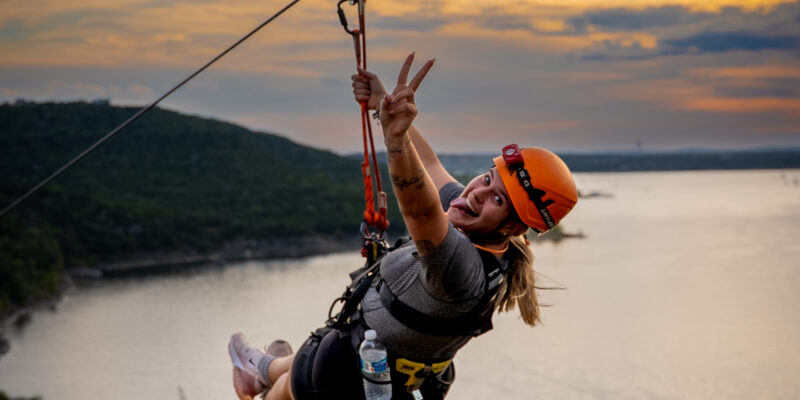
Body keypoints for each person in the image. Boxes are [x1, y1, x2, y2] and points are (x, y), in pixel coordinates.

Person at [227, 52, 578, 400]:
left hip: (344, 377)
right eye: (488, 178)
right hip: (378, 361)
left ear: (513, 228)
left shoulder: (460, 267)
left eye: (498, 200)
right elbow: (430, 167)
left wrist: (395, 139)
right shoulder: (480, 229)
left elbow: (421, 210)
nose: (478, 193)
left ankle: (262, 376)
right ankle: (258, 369)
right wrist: (384, 106)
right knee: (308, 353)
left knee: (295, 382)